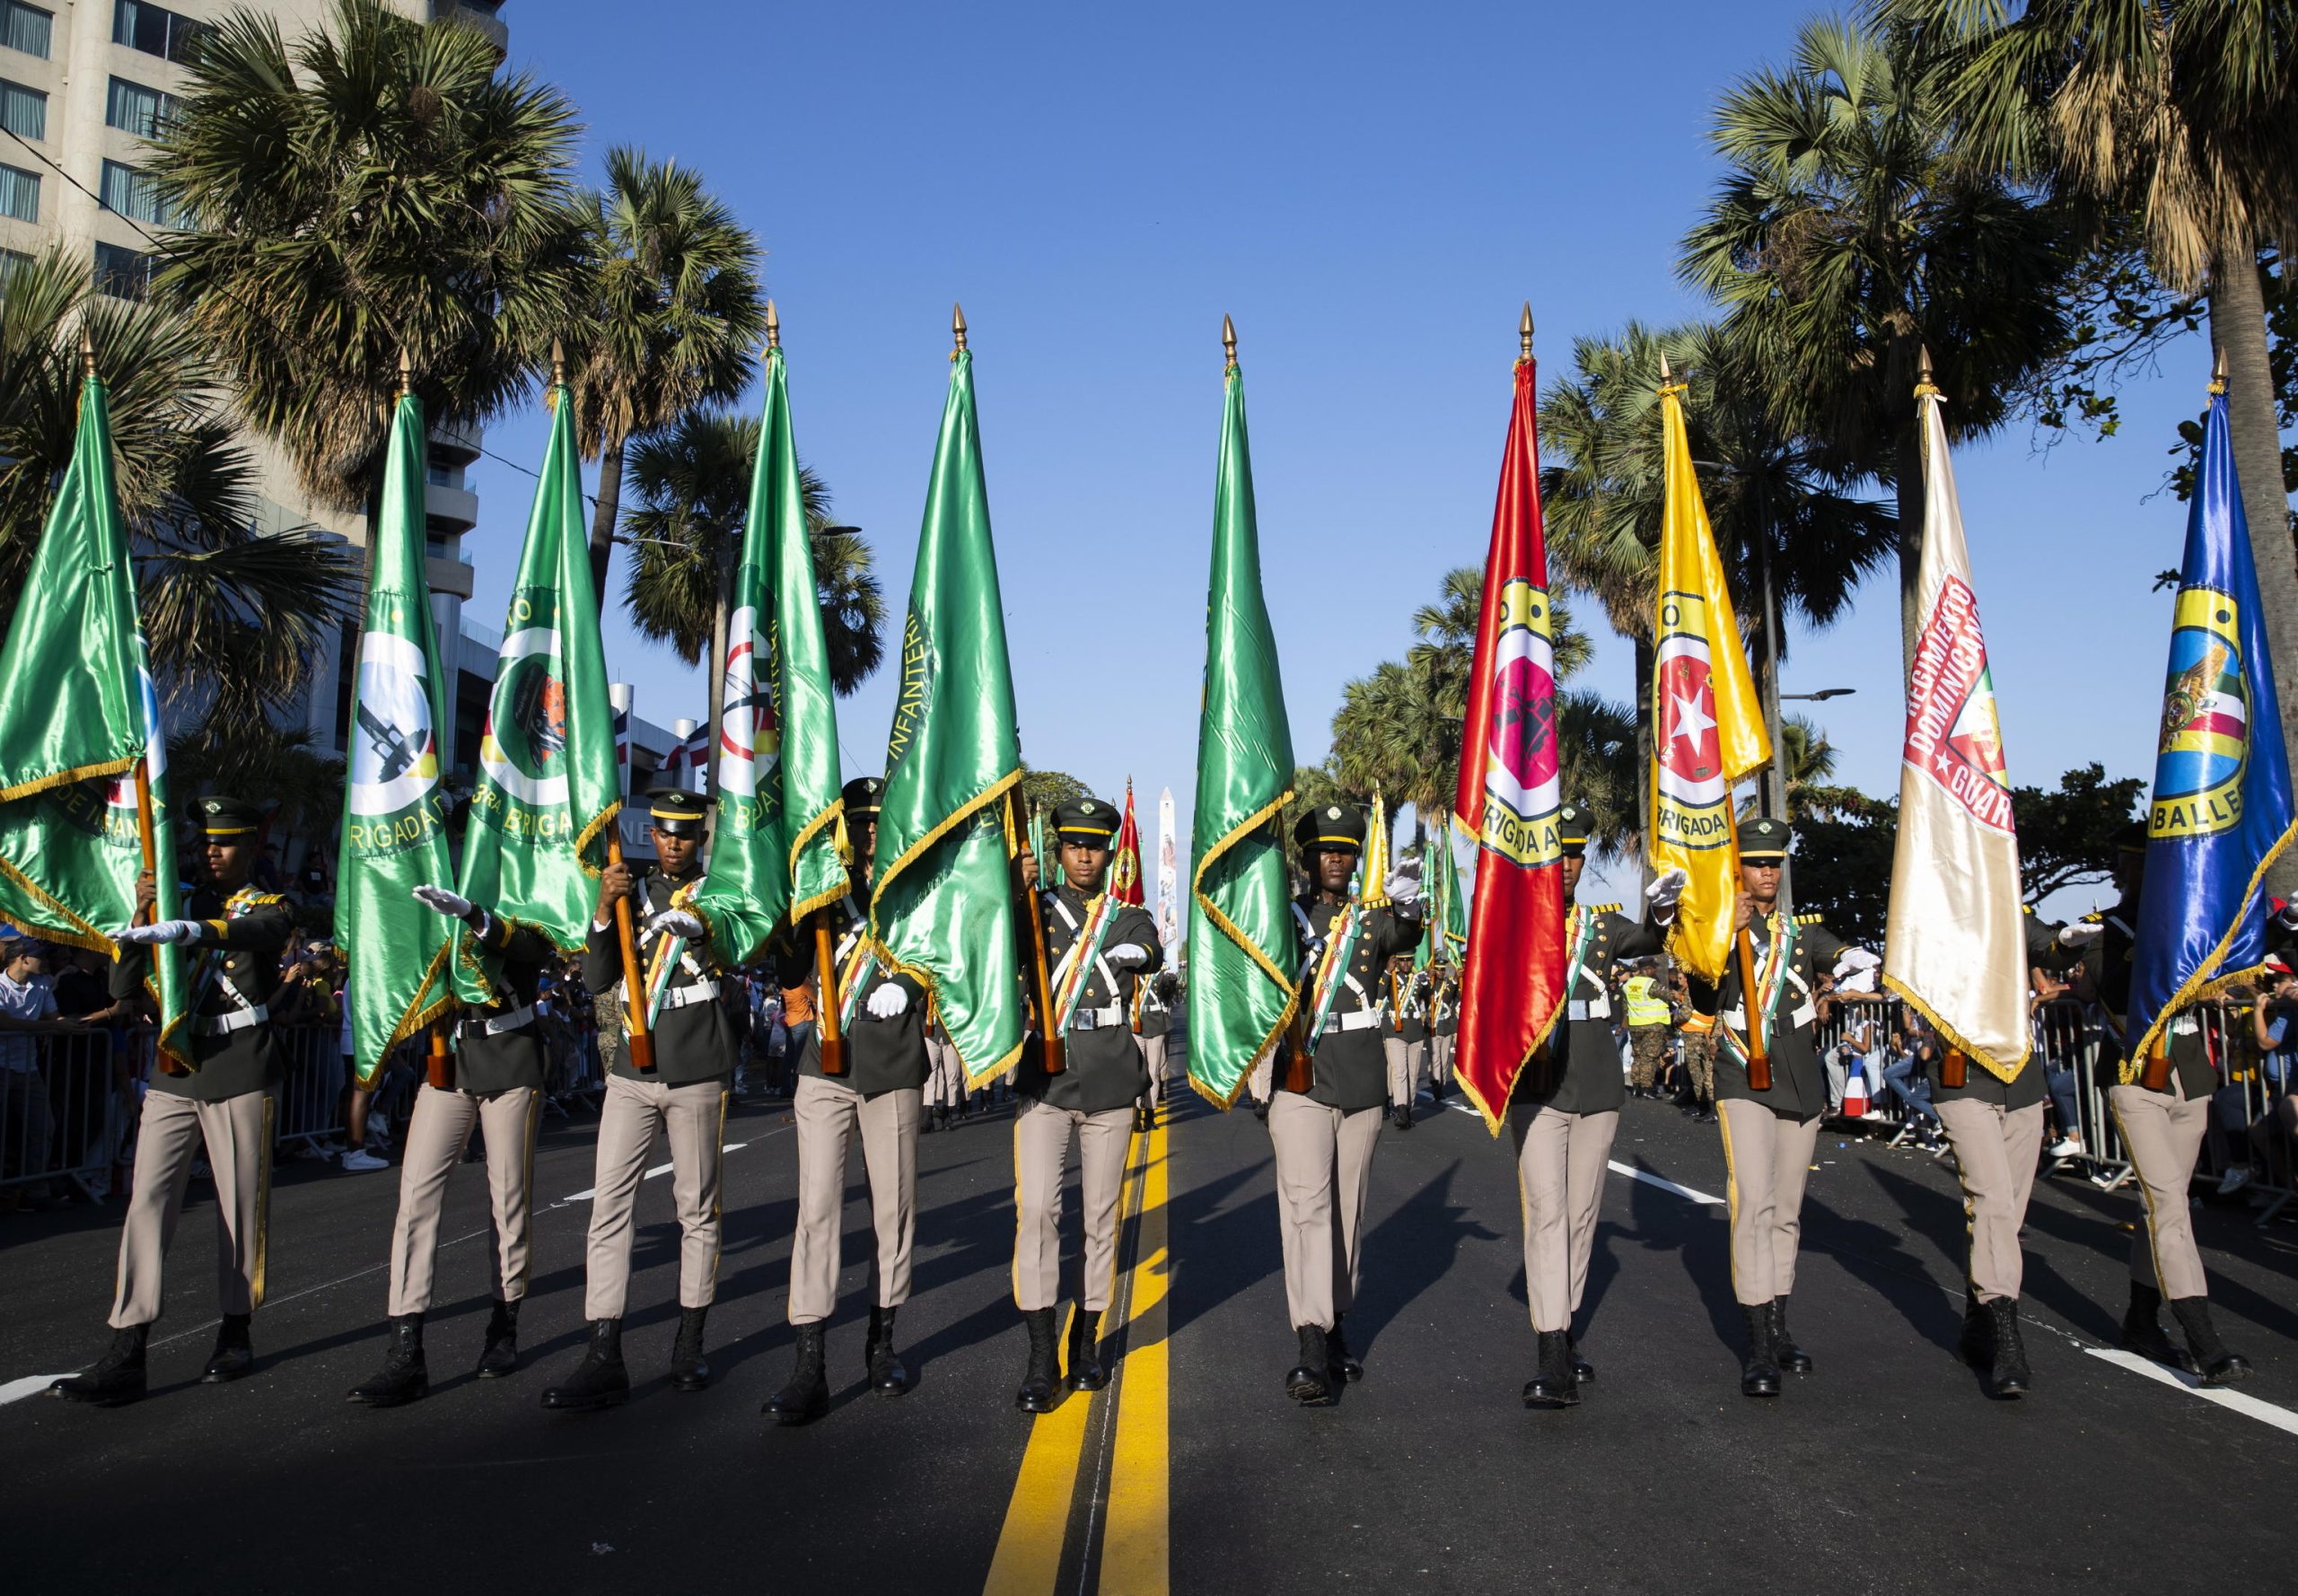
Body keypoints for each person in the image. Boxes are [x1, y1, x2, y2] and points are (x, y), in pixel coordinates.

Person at [49, 797, 295, 1405]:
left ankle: (235, 1330)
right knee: (146, 1202)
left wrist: (191, 928)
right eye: (206, 842)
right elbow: (122, 988)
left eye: (227, 842)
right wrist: (142, 913)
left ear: (250, 849)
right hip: (177, 1067)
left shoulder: (268, 904)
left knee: (239, 1207)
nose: (213, 851)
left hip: (240, 1065)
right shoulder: (176, 901)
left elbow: (267, 933)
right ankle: (128, 1344)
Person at [544, 789, 740, 1411]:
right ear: (649, 835)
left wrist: (704, 929)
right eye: (663, 832)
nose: (674, 842)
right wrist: (604, 910)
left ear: (700, 839)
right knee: (609, 1207)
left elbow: (737, 946)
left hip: (696, 1064)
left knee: (696, 1210)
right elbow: (599, 978)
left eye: (685, 833)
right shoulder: (629, 891)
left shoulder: (721, 895)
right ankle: (604, 1352)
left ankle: (689, 1341)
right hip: (632, 1065)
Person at [1679, 815, 1872, 1399]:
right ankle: (1758, 1341)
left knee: (1787, 1209)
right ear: (1738, 867)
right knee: (1754, 1200)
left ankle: (1781, 1324)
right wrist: (1719, 935)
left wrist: (1852, 967)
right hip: (1742, 1072)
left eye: (1774, 863)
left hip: (1799, 1078)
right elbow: (1706, 997)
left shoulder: (1800, 932)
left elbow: (1839, 955)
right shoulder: (1717, 930)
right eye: (1757, 862)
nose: (1767, 871)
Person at [346, 885, 557, 1407]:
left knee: (508, 1200)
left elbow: (532, 948)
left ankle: (503, 1329)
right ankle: (405, 1351)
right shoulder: (429, 901)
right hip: (449, 1061)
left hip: (510, 1060)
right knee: (415, 1200)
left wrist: (471, 913)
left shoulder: (524, 897)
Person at [762, 776, 928, 1425]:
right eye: (858, 823)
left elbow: (945, 952)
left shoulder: (917, 889)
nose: (867, 835)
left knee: (893, 1209)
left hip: (890, 1063)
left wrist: (911, 983)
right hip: (824, 1065)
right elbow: (788, 968)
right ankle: (810, 1363)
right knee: (818, 1211)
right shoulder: (823, 889)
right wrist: (791, 906)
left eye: (877, 823)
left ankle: (883, 1342)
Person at [2064, 827, 2251, 1384]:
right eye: (2140, 866)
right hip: (2137, 1078)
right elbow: (2117, 989)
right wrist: (2165, 933)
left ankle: (2141, 1320)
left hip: (2189, 1076)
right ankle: (2203, 1336)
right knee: (2168, 1203)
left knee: (2162, 1209)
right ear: (2125, 872)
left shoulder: (2197, 924)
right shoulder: (2108, 933)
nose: (2150, 876)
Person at [1010, 795, 1163, 1413]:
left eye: (1094, 845)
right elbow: (993, 936)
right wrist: (1009, 884)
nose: (1083, 855)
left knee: (1101, 1217)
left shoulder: (1127, 916)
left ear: (1108, 853)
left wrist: (1140, 955)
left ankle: (1087, 1339)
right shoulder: (1033, 912)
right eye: (1072, 845)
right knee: (1038, 1213)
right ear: (1058, 850)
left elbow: (1148, 947)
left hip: (1106, 1082)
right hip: (1046, 1078)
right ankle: (1040, 1353)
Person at [1269, 803, 1422, 1405]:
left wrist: (1409, 906)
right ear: (1305, 858)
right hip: (1300, 1075)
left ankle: (1335, 1323)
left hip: (1360, 1078)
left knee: (1346, 1213)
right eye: (1324, 850)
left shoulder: (1371, 919)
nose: (1336, 858)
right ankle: (1309, 1344)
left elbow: (1405, 935)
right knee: (1306, 1206)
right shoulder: (1281, 918)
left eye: (1346, 851)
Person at [1509, 802, 1659, 1407]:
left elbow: (1650, 938)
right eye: (1559, 852)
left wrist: (1667, 907)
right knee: (1545, 1211)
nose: (1568, 864)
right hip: (1538, 1086)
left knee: (1579, 1216)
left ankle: (1564, 1331)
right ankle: (1550, 1352)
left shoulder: (1603, 926)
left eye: (1576, 853)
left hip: (1595, 1083)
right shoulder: (1515, 925)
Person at [1924, 1006, 2049, 1399]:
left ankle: (1978, 1331)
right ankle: (2007, 1344)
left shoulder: (2013, 939)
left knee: (2006, 1214)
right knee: (1991, 1201)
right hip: (1963, 1078)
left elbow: (2047, 948)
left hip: (2020, 1080)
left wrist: (2066, 941)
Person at [0, 937, 76, 1210]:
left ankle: (37, 1191)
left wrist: (68, 1024)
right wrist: (53, 1028)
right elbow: (4, 1023)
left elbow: (51, 1016)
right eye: (40, 956)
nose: (46, 961)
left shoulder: (42, 983)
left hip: (28, 1068)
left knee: (42, 1126)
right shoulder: (0, 985)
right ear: (22, 958)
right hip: (1, 1067)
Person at [1379, 952, 1424, 1131]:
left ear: (1413, 960)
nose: (1406, 963)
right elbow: (1380, 994)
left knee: (1412, 1074)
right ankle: (1401, 1110)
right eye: (1402, 960)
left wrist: (1432, 978)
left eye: (1409, 960)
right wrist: (1388, 971)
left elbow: (1430, 996)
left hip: (1416, 1030)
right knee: (1399, 1072)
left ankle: (1408, 1108)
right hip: (1396, 1031)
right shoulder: (1391, 977)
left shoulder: (1418, 979)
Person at [1622, 955, 1671, 1101]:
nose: (1655, 971)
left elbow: (1625, 1006)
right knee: (1649, 1058)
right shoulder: (1651, 984)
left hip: (1636, 1025)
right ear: (1648, 969)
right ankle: (1647, 1088)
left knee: (1637, 1056)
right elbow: (1669, 996)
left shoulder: (1629, 984)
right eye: (1654, 968)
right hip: (1653, 1025)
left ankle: (1636, 1087)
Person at [1135, 968, 1175, 1134]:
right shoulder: (1131, 971)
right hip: (1135, 1022)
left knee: (1153, 1071)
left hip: (1156, 1024)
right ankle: (1136, 1115)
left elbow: (1167, 990)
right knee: (1136, 1072)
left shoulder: (1158, 973)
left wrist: (1170, 982)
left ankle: (1149, 1115)